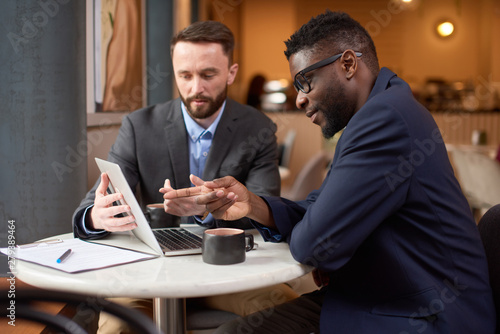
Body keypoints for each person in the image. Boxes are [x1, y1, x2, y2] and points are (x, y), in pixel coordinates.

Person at [164, 11, 496, 334]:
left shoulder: (384, 121)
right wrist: (253, 204)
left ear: (348, 64)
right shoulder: (381, 110)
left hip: (418, 314)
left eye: (305, 81)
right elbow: (319, 208)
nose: (298, 99)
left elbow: (314, 246)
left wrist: (327, 246)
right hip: (381, 295)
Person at [72, 20, 298, 334]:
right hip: (148, 276)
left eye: (208, 75)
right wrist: (97, 217)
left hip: (229, 272)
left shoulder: (257, 128)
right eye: (185, 76)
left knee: (289, 312)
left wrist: (209, 212)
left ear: (230, 73)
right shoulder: (139, 127)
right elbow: (89, 208)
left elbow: (264, 210)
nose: (196, 89)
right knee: (116, 329)